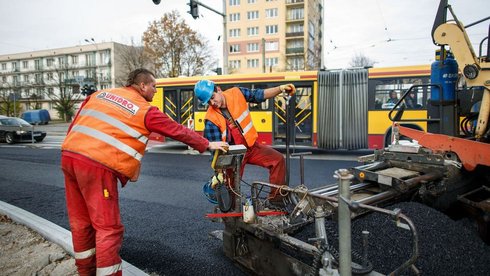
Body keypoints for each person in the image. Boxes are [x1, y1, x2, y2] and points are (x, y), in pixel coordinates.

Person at [61, 68, 228, 276]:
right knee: (107, 228)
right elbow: (176, 129)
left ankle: (84, 272)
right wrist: (207, 144)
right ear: (142, 86)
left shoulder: (98, 95)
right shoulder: (143, 109)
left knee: (81, 222)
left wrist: (71, 150)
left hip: (69, 157)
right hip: (97, 166)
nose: (156, 91)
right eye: (154, 87)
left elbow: (75, 124)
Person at [194, 80, 295, 204]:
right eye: (208, 102)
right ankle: (231, 216)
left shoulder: (237, 93)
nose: (212, 103)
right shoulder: (211, 119)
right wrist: (219, 172)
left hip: (251, 147)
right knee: (230, 190)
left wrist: (280, 88)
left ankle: (276, 201)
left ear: (218, 90)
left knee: (278, 160)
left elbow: (259, 95)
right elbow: (215, 150)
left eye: (212, 97)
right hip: (232, 156)